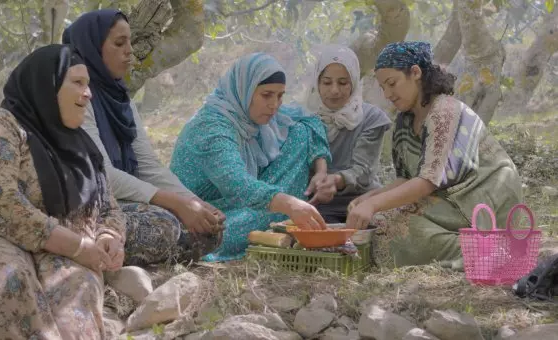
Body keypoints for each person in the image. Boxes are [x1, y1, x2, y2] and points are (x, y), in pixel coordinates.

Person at [0, 45, 123, 339]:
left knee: (74, 316)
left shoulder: (84, 147)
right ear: (48, 85)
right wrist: (78, 247)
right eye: (78, 83)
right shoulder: (1, 127)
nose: (88, 93)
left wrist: (109, 236)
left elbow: (108, 207)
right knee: (6, 285)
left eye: (89, 85)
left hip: (61, 249)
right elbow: (0, 203)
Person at [63, 9, 224, 266]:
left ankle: (123, 257)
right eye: (119, 43)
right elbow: (102, 176)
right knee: (165, 224)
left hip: (119, 202)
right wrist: (176, 203)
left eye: (129, 41)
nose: (129, 51)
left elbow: (147, 164)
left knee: (209, 231)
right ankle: (96, 253)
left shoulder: (120, 97)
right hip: (83, 205)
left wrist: (194, 202)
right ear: (92, 47)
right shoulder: (77, 97)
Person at [346, 41, 522, 268]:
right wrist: (370, 198)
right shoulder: (404, 120)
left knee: (386, 224)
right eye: (383, 87)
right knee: (381, 224)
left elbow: (427, 182)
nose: (388, 94)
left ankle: (486, 252)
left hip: (482, 198)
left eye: (392, 83)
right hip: (448, 198)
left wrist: (374, 205)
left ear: (415, 73)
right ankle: (477, 250)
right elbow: (406, 179)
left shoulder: (444, 110)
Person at [169, 52, 331, 262]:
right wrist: (290, 204)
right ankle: (274, 221)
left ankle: (274, 221)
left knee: (299, 132)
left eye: (280, 96)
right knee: (215, 237)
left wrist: (321, 170)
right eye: (266, 95)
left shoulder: (253, 116)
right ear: (244, 90)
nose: (274, 105)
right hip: (205, 216)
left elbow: (309, 121)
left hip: (242, 205)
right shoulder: (211, 127)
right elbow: (236, 185)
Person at [302, 44, 392, 223]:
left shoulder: (371, 118)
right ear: (317, 84)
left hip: (364, 204)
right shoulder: (303, 120)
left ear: (355, 83)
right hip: (316, 207)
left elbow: (364, 172)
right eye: (327, 82)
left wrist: (336, 180)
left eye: (343, 83)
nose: (334, 90)